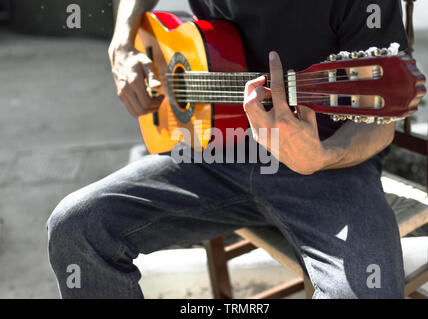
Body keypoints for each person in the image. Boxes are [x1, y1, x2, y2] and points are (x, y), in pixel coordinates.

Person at [47, 0, 409, 298]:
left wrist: (323, 156)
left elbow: (381, 126)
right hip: (216, 153)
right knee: (76, 226)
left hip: (328, 167)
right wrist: (123, 42)